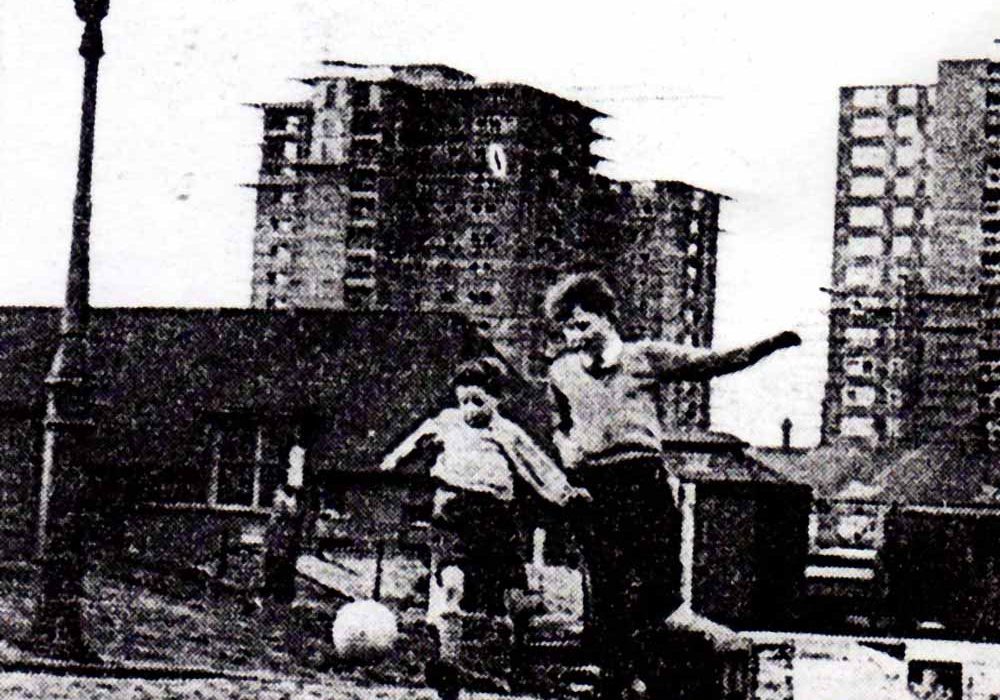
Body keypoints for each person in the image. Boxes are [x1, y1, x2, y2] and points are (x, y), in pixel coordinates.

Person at [543, 272, 801, 700]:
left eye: (583, 323)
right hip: (594, 485)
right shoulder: (563, 372)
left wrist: (769, 345)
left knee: (656, 588)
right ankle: (617, 681)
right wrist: (566, 448)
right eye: (568, 327)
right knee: (605, 585)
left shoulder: (643, 358)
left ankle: (666, 674)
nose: (575, 334)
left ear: (606, 318)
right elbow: (558, 422)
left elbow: (714, 362)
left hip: (641, 481)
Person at [380, 356, 589, 617]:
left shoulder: (505, 430)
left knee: (502, 568)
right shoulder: (449, 420)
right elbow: (418, 436)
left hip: (494, 509)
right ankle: (452, 606)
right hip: (453, 504)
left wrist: (565, 493)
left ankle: (507, 615)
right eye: (463, 402)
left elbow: (536, 464)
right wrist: (396, 459)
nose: (469, 410)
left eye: (478, 401)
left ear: (496, 399)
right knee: (452, 560)